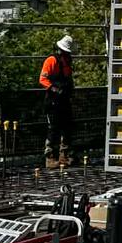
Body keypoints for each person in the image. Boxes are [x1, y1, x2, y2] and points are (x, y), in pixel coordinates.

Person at [40, 35, 75, 169]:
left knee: (67, 127)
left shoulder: (68, 62)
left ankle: (63, 156)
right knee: (53, 129)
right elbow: (43, 79)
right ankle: (50, 158)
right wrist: (55, 89)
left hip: (64, 100)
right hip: (53, 101)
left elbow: (68, 79)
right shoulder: (51, 60)